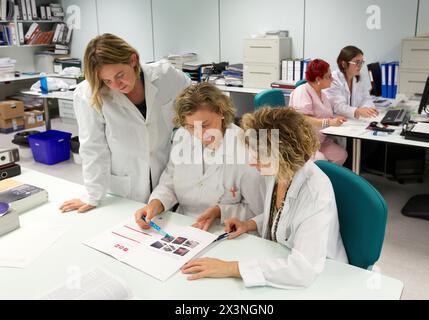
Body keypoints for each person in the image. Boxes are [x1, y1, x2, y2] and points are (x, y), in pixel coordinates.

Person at [181, 107, 348, 288]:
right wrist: (250, 224)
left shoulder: (314, 192)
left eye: (260, 155)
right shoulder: (278, 172)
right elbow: (283, 216)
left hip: (323, 278)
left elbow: (302, 270)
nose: (253, 162)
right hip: (280, 257)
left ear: (284, 153)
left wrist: (230, 268)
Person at [60, 33, 190, 213]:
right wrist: (93, 196)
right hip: (127, 184)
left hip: (167, 173)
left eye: (120, 75)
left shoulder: (166, 76)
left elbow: (194, 102)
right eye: (107, 80)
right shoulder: (88, 94)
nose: (116, 85)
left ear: (133, 60)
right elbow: (93, 147)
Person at [134, 83, 265, 232]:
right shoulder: (182, 137)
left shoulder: (246, 149)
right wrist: (154, 205)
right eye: (190, 126)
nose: (198, 134)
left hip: (225, 230)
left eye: (205, 125)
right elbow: (169, 184)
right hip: (181, 225)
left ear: (221, 112)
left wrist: (220, 211)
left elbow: (259, 210)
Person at [289, 59, 347, 165]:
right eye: (329, 76)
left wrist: (336, 118)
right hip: (302, 143)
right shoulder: (302, 91)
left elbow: (325, 115)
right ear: (318, 79)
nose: (332, 79)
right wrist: (329, 122)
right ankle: (316, 181)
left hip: (319, 140)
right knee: (321, 161)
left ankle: (329, 181)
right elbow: (302, 118)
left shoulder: (322, 94)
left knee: (341, 155)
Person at [325, 45, 378, 119]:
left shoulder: (360, 76)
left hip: (354, 122)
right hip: (337, 122)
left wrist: (368, 109)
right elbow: (338, 107)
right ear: (344, 64)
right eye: (356, 62)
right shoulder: (333, 79)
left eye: (361, 62)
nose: (360, 66)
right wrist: (357, 111)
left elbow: (366, 98)